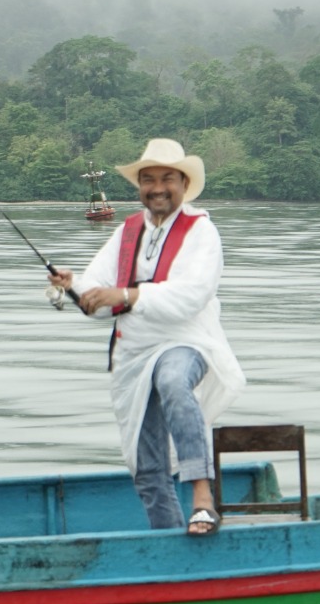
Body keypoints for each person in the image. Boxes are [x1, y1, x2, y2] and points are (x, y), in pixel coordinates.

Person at [49, 138, 246, 536]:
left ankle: (203, 501)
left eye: (167, 178)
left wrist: (127, 294)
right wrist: (74, 288)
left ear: (184, 184)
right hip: (133, 354)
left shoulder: (201, 230)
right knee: (146, 464)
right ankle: (169, 545)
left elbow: (191, 296)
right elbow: (101, 298)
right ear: (139, 187)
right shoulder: (127, 230)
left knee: (173, 380)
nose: (157, 188)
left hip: (187, 340)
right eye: (148, 180)